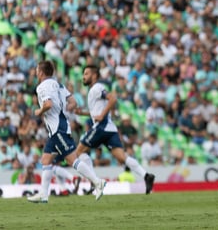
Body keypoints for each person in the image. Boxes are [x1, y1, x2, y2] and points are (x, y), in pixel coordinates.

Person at [27, 61, 106, 203]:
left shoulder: (41, 87)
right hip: (60, 127)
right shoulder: (59, 85)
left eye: (37, 70)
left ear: (41, 72)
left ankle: (97, 181)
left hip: (58, 129)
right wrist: (64, 109)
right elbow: (74, 102)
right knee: (46, 159)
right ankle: (44, 194)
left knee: (72, 160)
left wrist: (40, 111)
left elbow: (48, 104)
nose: (36, 73)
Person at [75, 65, 155, 194]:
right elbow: (96, 112)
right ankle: (146, 175)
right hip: (110, 129)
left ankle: (95, 183)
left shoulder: (97, 88)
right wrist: (82, 113)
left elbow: (112, 98)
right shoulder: (94, 91)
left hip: (101, 128)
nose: (83, 77)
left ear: (94, 76)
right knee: (122, 157)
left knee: (78, 152)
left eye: (86, 74)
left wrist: (102, 115)